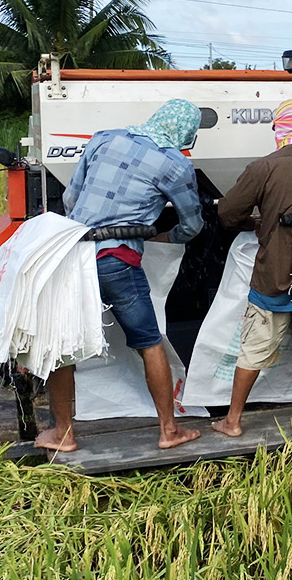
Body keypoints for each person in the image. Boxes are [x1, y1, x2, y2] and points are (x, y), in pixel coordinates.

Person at [37, 98, 205, 452]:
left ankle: (63, 434)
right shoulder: (176, 164)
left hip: (71, 254)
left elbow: (70, 198)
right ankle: (168, 430)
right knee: (148, 342)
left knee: (61, 343)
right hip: (117, 258)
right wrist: (161, 236)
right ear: (187, 132)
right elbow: (192, 224)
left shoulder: (104, 137)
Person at [212, 98, 292, 438]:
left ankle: (233, 421)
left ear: (278, 129)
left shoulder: (263, 167)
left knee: (254, 346)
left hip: (275, 272)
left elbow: (226, 213)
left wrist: (254, 222)